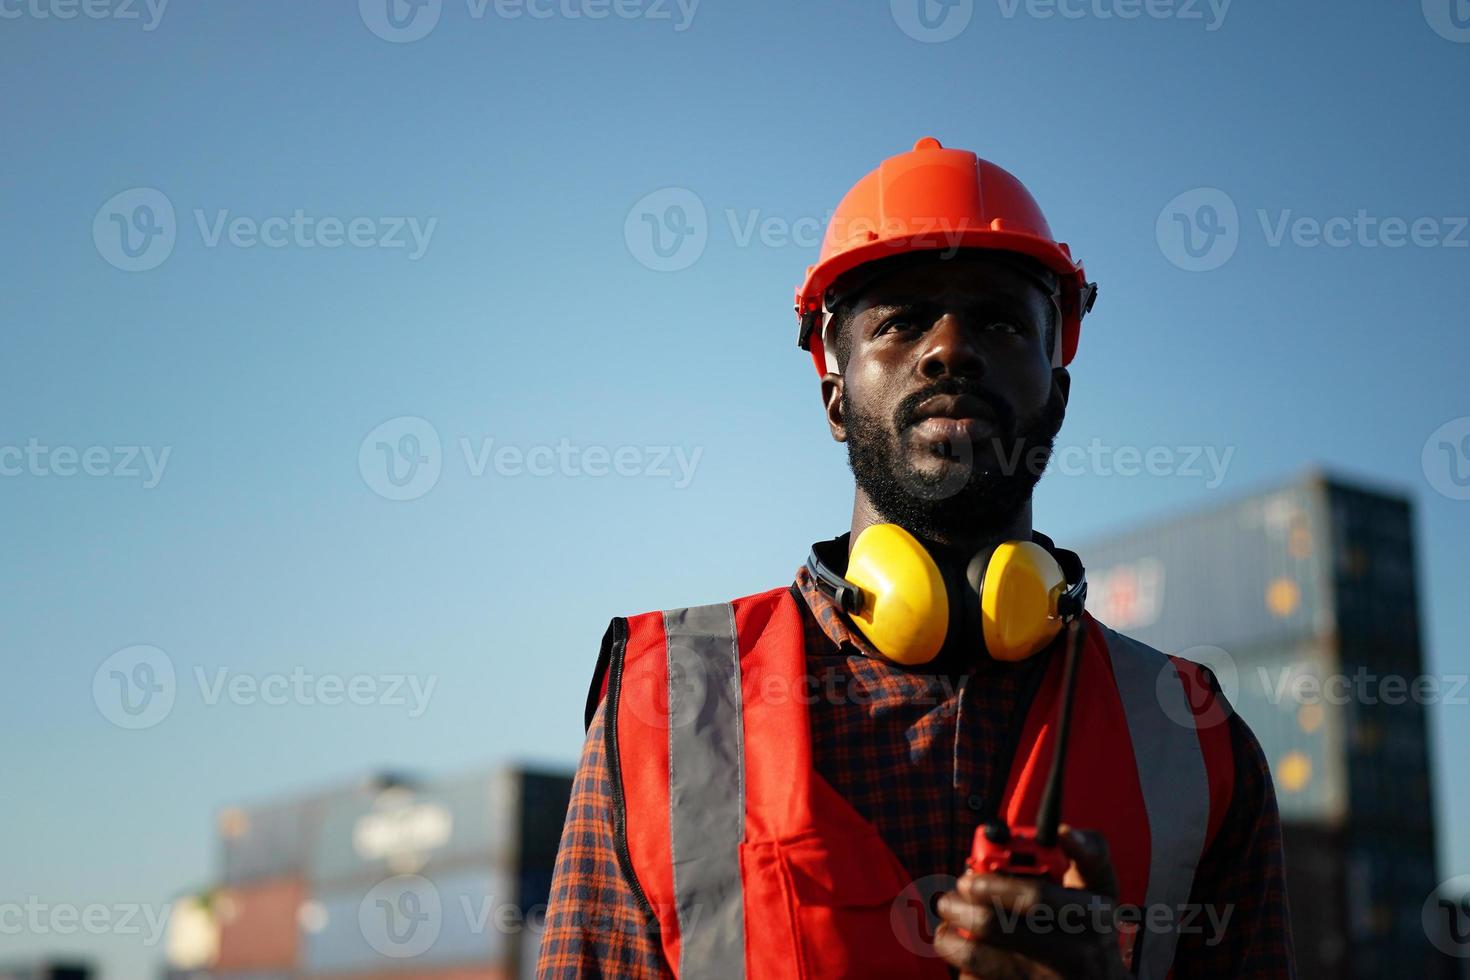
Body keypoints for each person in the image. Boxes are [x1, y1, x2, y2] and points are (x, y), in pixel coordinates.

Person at [537, 137, 1294, 979]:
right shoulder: (663, 708)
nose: (950, 350)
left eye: (1001, 321)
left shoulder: (1193, 737)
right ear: (834, 396)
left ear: (1059, 392)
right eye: (899, 321)